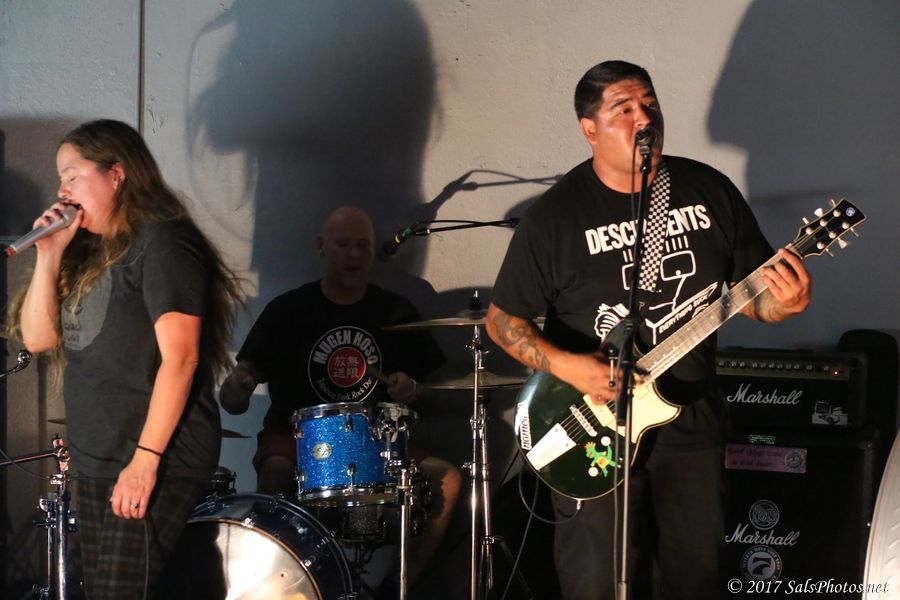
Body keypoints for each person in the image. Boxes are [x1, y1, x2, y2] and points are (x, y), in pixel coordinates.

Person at [485, 60, 812, 600]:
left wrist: (786, 303)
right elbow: (503, 321)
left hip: (691, 417)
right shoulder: (557, 217)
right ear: (590, 128)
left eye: (650, 104)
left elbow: (754, 298)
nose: (644, 118)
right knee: (597, 580)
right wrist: (572, 368)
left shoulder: (707, 189)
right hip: (596, 422)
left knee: (695, 575)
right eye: (624, 109)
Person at [6, 119, 242, 599]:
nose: (62, 189)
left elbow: (182, 358)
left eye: (73, 175)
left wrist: (144, 462)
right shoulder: (90, 251)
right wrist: (49, 255)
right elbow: (38, 339)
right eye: (61, 178)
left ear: (116, 174)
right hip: (98, 454)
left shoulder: (164, 242)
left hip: (156, 454)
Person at [220, 205, 462, 590]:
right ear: (322, 246)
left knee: (447, 479)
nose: (354, 254)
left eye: (362, 245)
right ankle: (286, 589)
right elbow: (234, 399)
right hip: (297, 440)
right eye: (343, 244)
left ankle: (394, 589)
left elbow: (443, 400)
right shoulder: (288, 310)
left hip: (376, 444)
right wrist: (237, 386)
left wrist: (416, 392)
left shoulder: (397, 311)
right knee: (276, 472)